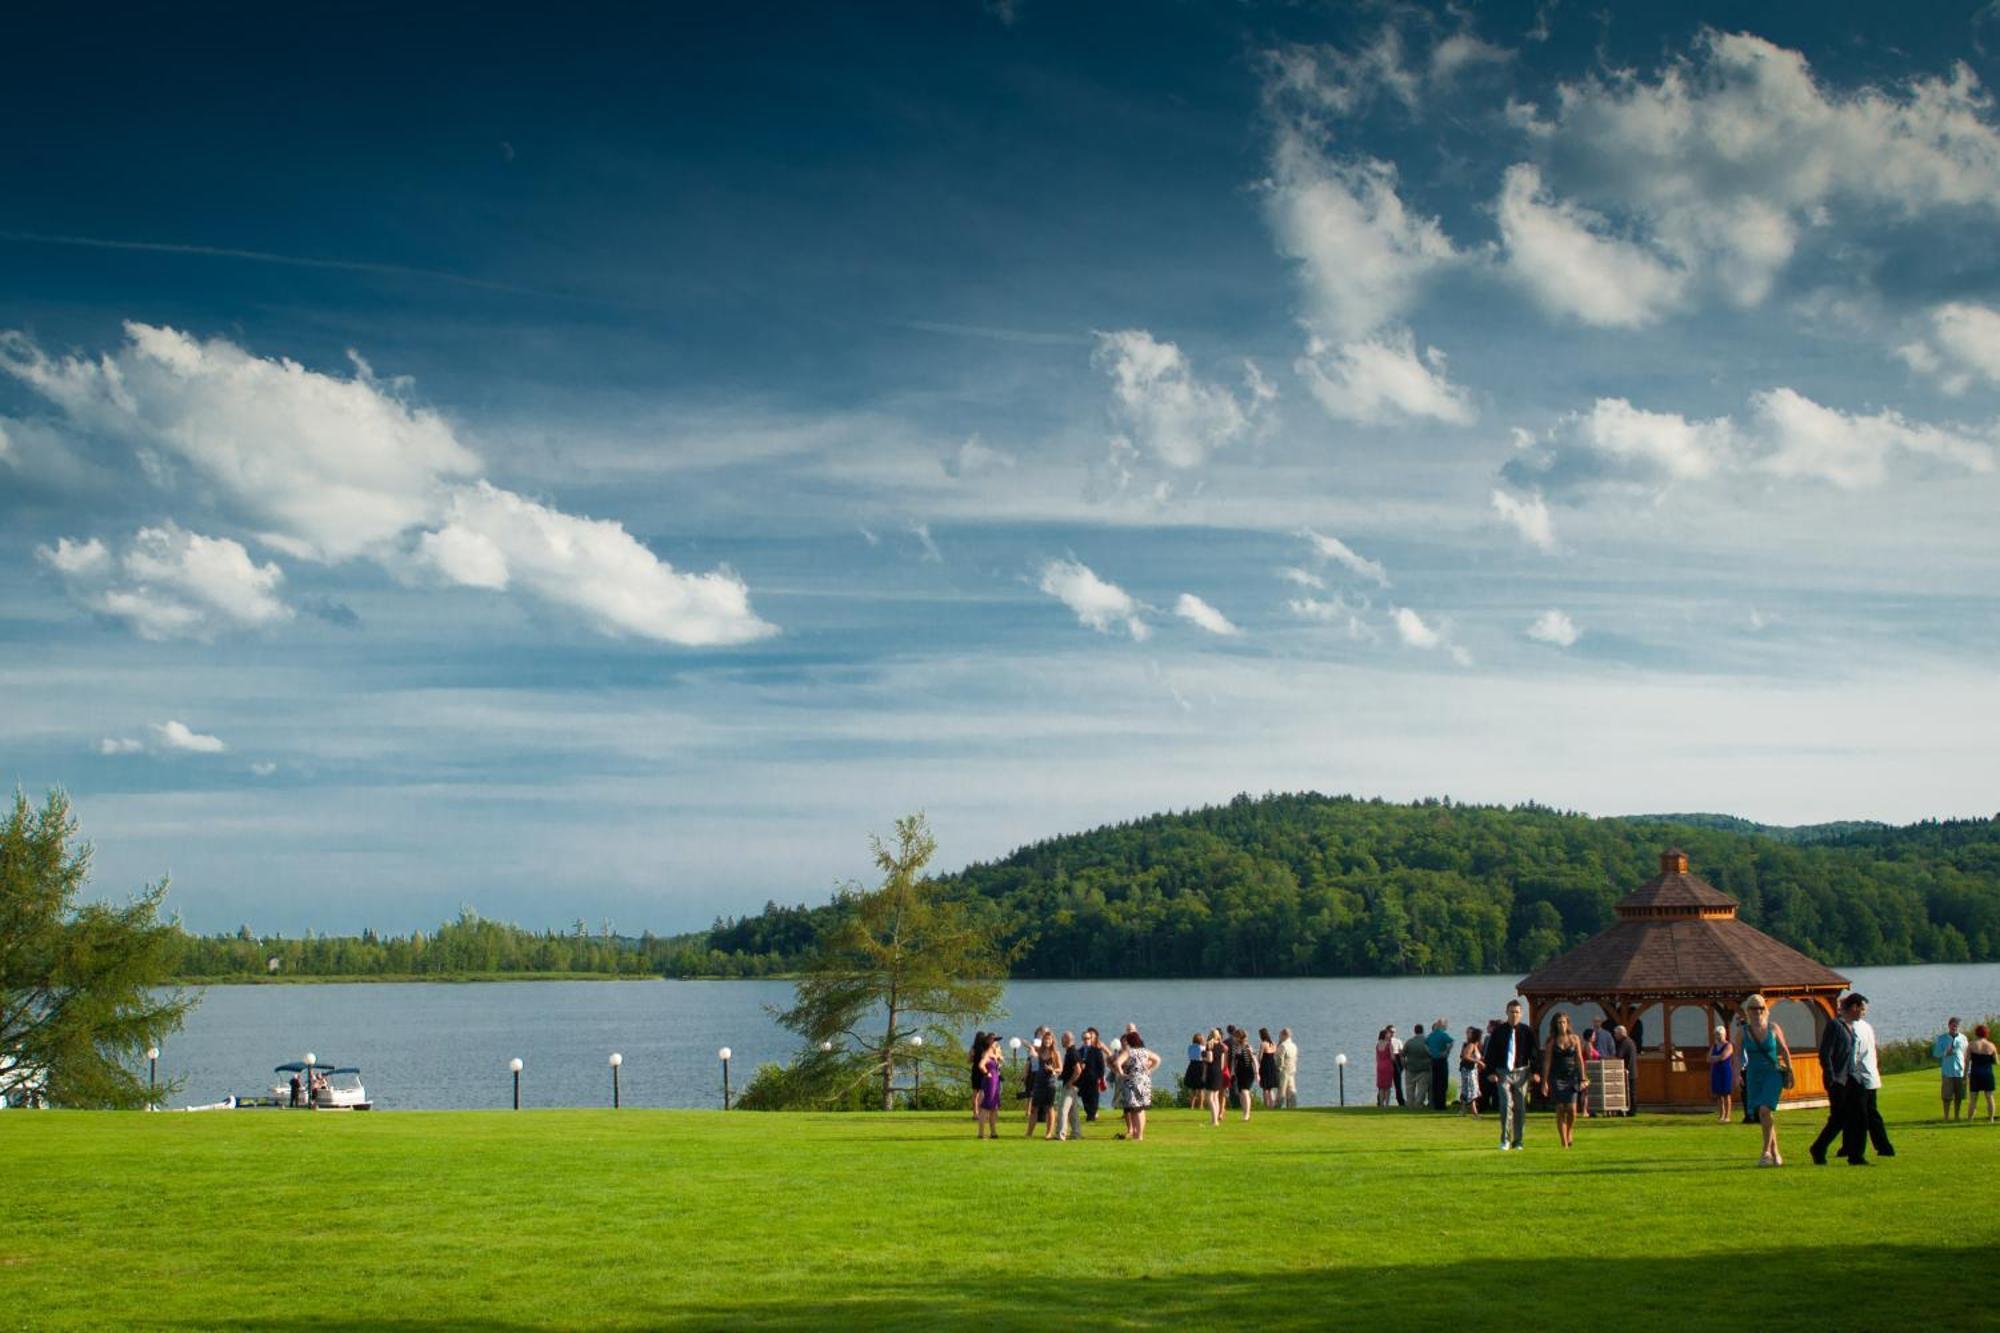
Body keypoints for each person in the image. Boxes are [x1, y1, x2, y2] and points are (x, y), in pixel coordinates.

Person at [1839, 994, 1894, 1165]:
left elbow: (1853, 1054)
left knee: (1860, 1117)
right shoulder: (1867, 1027)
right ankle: (1883, 1147)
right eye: (1863, 1009)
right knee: (1870, 1114)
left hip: (1860, 1077)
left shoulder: (1852, 1027)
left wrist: (1849, 1075)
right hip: (1870, 1075)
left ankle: (1855, 1152)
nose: (1864, 1012)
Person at [1740, 994, 1791, 1166]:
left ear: (1765, 1010)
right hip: (1754, 1075)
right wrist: (1735, 1074)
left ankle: (1765, 1152)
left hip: (1772, 1073)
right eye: (1754, 1008)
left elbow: (1784, 1051)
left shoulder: (1773, 1028)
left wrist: (1790, 1071)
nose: (1757, 1012)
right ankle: (1775, 1153)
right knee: (1764, 1114)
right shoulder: (1743, 1032)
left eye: (1761, 1008)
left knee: (1764, 1110)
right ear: (1748, 1011)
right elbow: (1735, 1055)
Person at [1484, 1000, 1539, 1151]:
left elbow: (1533, 1053)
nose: (1514, 1015)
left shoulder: (1527, 1031)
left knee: (1520, 1107)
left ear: (1521, 1014)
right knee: (1505, 1105)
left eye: (1517, 1012)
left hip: (1521, 1072)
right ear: (1506, 1012)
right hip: (1503, 1072)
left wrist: (1535, 1072)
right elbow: (1491, 1054)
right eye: (1511, 1012)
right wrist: (1490, 1072)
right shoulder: (1498, 1031)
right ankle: (1505, 1140)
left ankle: (1519, 1141)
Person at [1540, 1013, 1590, 1148]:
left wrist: (1583, 1077)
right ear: (1555, 1025)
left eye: (1563, 1022)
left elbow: (1579, 1059)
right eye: (1559, 1023)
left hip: (1571, 1076)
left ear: (1568, 1024)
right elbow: (1547, 1062)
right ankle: (1564, 1142)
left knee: (1572, 1110)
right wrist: (1544, 1081)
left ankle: (1569, 1131)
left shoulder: (1574, 1039)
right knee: (1561, 1108)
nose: (1561, 1025)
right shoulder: (1551, 1041)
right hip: (1557, 1077)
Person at [1115, 1031, 1161, 1140]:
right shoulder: (1145, 1051)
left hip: (1133, 1082)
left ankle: (1138, 1135)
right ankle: (1138, 1134)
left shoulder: (1129, 1052)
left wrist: (1122, 1074)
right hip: (1145, 1081)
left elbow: (1118, 1062)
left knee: (1135, 1109)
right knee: (1141, 1109)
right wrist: (1150, 1070)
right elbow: (1157, 1060)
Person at [1934, 1017, 1969, 1122]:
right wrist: (1945, 1053)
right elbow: (1936, 1054)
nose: (1955, 1027)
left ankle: (1957, 1116)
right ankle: (1946, 1117)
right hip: (1947, 1071)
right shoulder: (1942, 1038)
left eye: (1956, 1026)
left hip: (1960, 1071)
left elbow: (1966, 1054)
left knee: (1959, 1096)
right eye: (1953, 1025)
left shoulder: (1963, 1038)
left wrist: (1967, 1070)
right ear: (1949, 1025)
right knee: (1946, 1096)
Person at [974, 1034, 1004, 1139]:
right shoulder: (986, 1053)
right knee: (986, 1106)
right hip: (990, 1081)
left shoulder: (994, 1053)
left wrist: (998, 1057)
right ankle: (981, 1133)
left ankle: (993, 1132)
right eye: (994, 1040)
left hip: (996, 1081)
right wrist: (987, 1073)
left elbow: (1000, 1062)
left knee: (994, 1108)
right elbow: (981, 1065)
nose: (996, 1042)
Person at [1031, 1032, 1059, 1139]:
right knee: (1034, 1108)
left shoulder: (1055, 1053)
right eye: (1045, 1039)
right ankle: (1029, 1132)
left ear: (1052, 1041)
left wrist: (1053, 1070)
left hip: (1049, 1083)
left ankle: (1049, 1133)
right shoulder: (1040, 1052)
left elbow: (1060, 1068)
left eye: (1049, 1039)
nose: (1047, 1041)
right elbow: (1033, 1059)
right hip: (1038, 1083)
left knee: (1049, 1108)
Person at [1057, 1031, 1084, 1140]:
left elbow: (1078, 1070)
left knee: (1063, 1110)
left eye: (1063, 1038)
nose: (1061, 1040)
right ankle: (1076, 1133)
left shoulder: (1072, 1053)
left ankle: (1061, 1134)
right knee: (1073, 1112)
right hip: (1074, 1086)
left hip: (1070, 1087)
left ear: (1068, 1040)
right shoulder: (1072, 1052)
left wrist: (1070, 1082)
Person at [1967, 1024, 1997, 1123]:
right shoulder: (1991, 1045)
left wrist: (1965, 1074)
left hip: (1975, 1073)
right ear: (1986, 1033)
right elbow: (1996, 1062)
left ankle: (1970, 1119)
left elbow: (1967, 1061)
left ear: (1976, 1033)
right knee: (1989, 1097)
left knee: (1973, 1098)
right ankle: (1991, 1119)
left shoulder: (1971, 1045)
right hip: (1987, 1073)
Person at [1708, 1024, 1736, 1124]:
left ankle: (1727, 1116)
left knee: (1726, 1094)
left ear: (1724, 1034)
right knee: (1718, 1095)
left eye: (1719, 1034)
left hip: (1725, 1071)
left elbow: (1723, 1057)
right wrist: (1716, 1058)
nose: (1718, 1036)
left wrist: (1715, 1058)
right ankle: (1721, 1115)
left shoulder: (1729, 1045)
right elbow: (1708, 1058)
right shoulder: (1714, 1046)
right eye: (1716, 1034)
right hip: (1716, 1071)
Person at [1079, 1028, 1108, 1125]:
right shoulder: (1079, 1051)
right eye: (1085, 1038)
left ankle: (1091, 1116)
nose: (1086, 1040)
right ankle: (1089, 1113)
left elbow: (1101, 1065)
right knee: (1085, 1097)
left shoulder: (1096, 1051)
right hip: (1083, 1079)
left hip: (1094, 1078)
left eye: (1088, 1038)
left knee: (1094, 1098)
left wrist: (1100, 1078)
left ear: (1091, 1039)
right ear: (1082, 1039)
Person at [1425, 1019, 1453, 1112]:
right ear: (1442, 1025)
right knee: (1442, 1082)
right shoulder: (1443, 1034)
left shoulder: (1431, 1035)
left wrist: (1430, 1052)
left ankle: (1436, 1104)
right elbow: (1451, 1042)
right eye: (1446, 1025)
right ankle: (1441, 1105)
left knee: (1435, 1082)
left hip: (1433, 1060)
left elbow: (1425, 1043)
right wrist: (1446, 1051)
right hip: (1441, 1060)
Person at [1231, 1029, 1258, 1122]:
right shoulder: (1235, 1047)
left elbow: (1254, 1060)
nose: (1233, 1038)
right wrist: (1233, 1071)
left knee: (1245, 1091)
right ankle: (1244, 1113)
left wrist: (1257, 1073)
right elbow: (1235, 1060)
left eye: (1235, 1036)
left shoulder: (1247, 1047)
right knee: (1241, 1093)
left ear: (1239, 1037)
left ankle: (1247, 1114)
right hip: (1239, 1072)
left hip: (1248, 1071)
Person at [1403, 1024, 1432, 1110]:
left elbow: (1402, 1055)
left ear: (1414, 1031)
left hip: (1410, 1068)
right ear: (1423, 1031)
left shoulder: (1409, 1042)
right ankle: (1418, 1104)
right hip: (1424, 1069)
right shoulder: (1427, 1041)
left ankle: (1410, 1103)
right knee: (1422, 1088)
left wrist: (1404, 1065)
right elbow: (1431, 1054)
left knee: (1409, 1087)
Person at [1613, 1025, 1639, 1117]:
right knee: (1631, 1091)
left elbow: (1619, 1056)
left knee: (1627, 1092)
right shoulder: (1630, 1041)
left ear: (1621, 1033)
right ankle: (1632, 1110)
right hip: (1632, 1070)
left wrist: (1608, 1058)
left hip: (1627, 1070)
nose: (1615, 1035)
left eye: (1616, 1033)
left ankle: (1631, 1110)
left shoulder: (1624, 1043)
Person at [1458, 1026, 1484, 1116]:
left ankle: (1463, 1111)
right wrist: (1479, 1061)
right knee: (1471, 1090)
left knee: (1468, 1090)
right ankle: (1474, 1113)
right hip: (1468, 1071)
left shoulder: (1476, 1045)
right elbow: (1466, 1056)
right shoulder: (1471, 1045)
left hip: (1473, 1070)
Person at [1204, 1029, 1227, 1126]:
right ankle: (1215, 1119)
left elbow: (1209, 1059)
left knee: (1210, 1098)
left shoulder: (1209, 1045)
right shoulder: (1221, 1046)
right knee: (1216, 1097)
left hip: (1211, 1071)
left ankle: (1214, 1121)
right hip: (1218, 1072)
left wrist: (1203, 1058)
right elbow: (1222, 1063)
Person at [1258, 1028, 1281, 1110]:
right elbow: (1274, 1055)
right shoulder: (1273, 1043)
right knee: (1270, 1088)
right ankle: (1272, 1105)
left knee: (1265, 1088)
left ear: (1262, 1035)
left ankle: (1266, 1106)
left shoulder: (1263, 1044)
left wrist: (1258, 1065)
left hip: (1265, 1067)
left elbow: (1260, 1057)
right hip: (1272, 1066)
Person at [1375, 1027, 1397, 1108]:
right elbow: (1392, 1057)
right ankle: (1387, 1104)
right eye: (1388, 1033)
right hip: (1388, 1066)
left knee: (1381, 1087)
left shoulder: (1377, 1045)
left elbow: (1377, 1057)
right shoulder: (1389, 1044)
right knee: (1387, 1087)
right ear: (1385, 1035)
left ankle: (1381, 1104)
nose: (1389, 1035)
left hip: (1380, 1066)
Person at [1278, 1028, 1299, 1109]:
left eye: (1280, 1035)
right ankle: (1293, 1106)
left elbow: (1279, 1058)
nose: (1279, 1037)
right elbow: (1296, 1058)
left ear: (1284, 1035)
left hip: (1284, 1071)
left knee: (1281, 1091)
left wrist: (1279, 1068)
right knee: (1291, 1090)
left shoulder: (1283, 1046)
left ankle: (1278, 1106)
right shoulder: (1294, 1045)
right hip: (1292, 1070)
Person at [1184, 1033, 1206, 1108]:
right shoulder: (1203, 1047)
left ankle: (1192, 1106)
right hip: (1200, 1066)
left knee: (1192, 1088)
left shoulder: (1190, 1047)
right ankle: (1201, 1105)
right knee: (1201, 1088)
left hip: (1192, 1065)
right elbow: (1204, 1057)